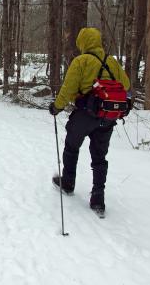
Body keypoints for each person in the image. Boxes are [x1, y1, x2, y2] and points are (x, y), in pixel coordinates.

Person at [48, 27, 130, 212]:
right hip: (107, 116)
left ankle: (68, 183)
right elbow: (126, 84)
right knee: (99, 157)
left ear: (82, 43)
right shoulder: (112, 62)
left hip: (85, 115)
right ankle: (98, 199)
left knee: (71, 146)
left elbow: (68, 88)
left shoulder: (81, 61)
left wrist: (57, 107)